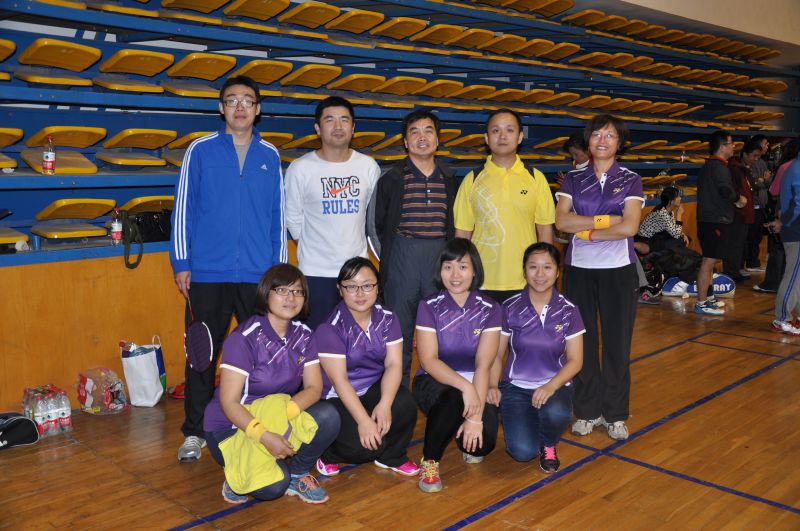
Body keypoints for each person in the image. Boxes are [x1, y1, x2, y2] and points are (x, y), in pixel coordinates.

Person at [170, 75, 287, 462]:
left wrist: (279, 275)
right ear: (221, 108)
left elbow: (277, 218)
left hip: (258, 275)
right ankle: (194, 432)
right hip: (207, 273)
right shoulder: (200, 150)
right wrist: (182, 261)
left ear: (258, 109)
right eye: (232, 100)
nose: (240, 107)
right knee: (202, 356)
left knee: (261, 357)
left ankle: (258, 424)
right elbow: (183, 209)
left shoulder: (270, 155)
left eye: (247, 100)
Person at [202, 264, 340, 505]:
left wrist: (284, 415)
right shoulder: (244, 338)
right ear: (266, 294)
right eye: (282, 290)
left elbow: (314, 388)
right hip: (231, 426)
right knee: (275, 486)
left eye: (297, 291)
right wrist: (264, 435)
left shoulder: (305, 335)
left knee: (329, 416)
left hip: (276, 413)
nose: (291, 298)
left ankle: (297, 474)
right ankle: (235, 477)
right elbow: (229, 402)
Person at [554, 114, 643, 441]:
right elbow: (562, 222)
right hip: (579, 271)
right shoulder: (573, 179)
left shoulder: (631, 179)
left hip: (619, 272)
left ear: (619, 143)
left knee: (617, 345)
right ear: (588, 140)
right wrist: (608, 222)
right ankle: (587, 411)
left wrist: (587, 230)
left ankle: (616, 414)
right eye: (596, 135)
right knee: (583, 343)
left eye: (609, 136)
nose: (602, 141)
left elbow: (630, 226)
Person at [368, 109, 459, 387]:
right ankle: (397, 397)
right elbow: (375, 226)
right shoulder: (392, 178)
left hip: (439, 258)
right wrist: (390, 259)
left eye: (428, 131)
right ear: (406, 142)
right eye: (414, 132)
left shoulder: (450, 178)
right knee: (399, 334)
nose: (422, 137)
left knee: (442, 332)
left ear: (437, 140)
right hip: (402, 259)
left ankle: (440, 395)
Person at [313, 258, 420, 477]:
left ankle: (391, 456)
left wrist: (385, 404)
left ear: (377, 287)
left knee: (405, 403)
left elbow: (394, 364)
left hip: (371, 387)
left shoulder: (388, 318)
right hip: (338, 396)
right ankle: (327, 454)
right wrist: (364, 421)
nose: (360, 293)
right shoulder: (330, 328)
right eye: (351, 287)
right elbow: (340, 381)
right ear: (340, 290)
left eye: (367, 285)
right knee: (363, 448)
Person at [413, 238, 502, 493]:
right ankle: (430, 461)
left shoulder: (491, 308)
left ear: (474, 271)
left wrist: (475, 418)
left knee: (481, 444)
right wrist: (466, 388)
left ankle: (461, 423)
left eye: (462, 267)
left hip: (476, 379)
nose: (455, 275)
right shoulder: (428, 306)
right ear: (439, 271)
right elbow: (429, 360)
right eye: (448, 267)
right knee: (453, 399)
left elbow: (483, 365)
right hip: (434, 379)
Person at [285, 96, 381, 329]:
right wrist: (315, 249)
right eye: (330, 120)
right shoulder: (300, 168)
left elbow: (373, 219)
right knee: (315, 341)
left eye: (344, 120)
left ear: (353, 128)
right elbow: (293, 218)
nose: (338, 126)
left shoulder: (368, 167)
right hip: (314, 274)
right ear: (318, 128)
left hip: (356, 274)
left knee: (356, 342)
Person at [498, 243, 584, 472]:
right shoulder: (509, 307)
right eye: (533, 267)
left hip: (555, 385)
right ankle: (528, 419)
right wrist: (490, 385)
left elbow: (576, 360)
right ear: (524, 270)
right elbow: (496, 355)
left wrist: (549, 387)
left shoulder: (569, 309)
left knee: (556, 414)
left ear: (557, 272)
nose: (540, 274)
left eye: (547, 267)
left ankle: (548, 443)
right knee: (522, 452)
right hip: (516, 388)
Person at [454, 108, 555, 304]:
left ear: (520, 137)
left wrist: (545, 273)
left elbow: (545, 231)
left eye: (509, 130)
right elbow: (462, 234)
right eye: (495, 130)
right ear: (486, 138)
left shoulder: (536, 178)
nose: (502, 136)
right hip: (482, 279)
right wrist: (461, 274)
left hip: (526, 279)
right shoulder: (472, 180)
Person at [694, 130, 745, 316]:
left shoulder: (712, 165)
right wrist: (739, 199)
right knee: (708, 261)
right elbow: (726, 190)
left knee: (712, 260)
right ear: (722, 146)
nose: (734, 147)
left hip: (711, 219)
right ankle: (701, 303)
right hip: (713, 221)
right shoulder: (719, 167)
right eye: (731, 143)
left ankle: (708, 298)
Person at [756, 139, 799, 293]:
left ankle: (773, 283)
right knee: (792, 267)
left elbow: (774, 191)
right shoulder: (794, 167)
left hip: (787, 217)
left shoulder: (787, 166)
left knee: (780, 252)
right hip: (790, 219)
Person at [771, 158, 800, 335]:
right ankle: (781, 318)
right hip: (795, 230)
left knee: (797, 277)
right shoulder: (796, 169)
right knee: (792, 276)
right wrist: (784, 222)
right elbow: (796, 205)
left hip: (793, 228)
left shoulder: (793, 167)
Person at [724, 140, 760, 282]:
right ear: (745, 154)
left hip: (744, 213)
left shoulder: (743, 169)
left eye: (758, 157)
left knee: (740, 244)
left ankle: (736, 269)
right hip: (737, 213)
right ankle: (731, 273)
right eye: (754, 156)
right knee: (734, 244)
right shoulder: (734, 168)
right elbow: (732, 191)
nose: (756, 159)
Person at [744, 135, 772, 273]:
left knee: (758, 236)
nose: (767, 146)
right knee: (751, 237)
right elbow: (753, 183)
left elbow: (768, 181)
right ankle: (750, 263)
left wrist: (764, 180)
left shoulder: (763, 162)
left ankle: (753, 262)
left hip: (762, 205)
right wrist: (763, 180)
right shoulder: (751, 162)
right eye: (765, 144)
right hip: (753, 205)